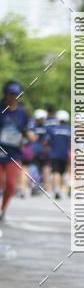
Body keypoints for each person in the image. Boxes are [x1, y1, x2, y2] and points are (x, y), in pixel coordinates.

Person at [0, 81, 35, 221]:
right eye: (11, 94)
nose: (14, 97)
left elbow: (28, 131)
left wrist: (29, 136)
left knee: (10, 183)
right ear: (5, 94)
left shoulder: (22, 113)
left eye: (16, 94)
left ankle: (3, 210)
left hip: (14, 153)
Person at [46, 109, 71, 199]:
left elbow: (46, 141)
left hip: (55, 154)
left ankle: (57, 189)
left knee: (56, 171)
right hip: (66, 154)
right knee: (67, 172)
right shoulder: (69, 129)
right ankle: (69, 188)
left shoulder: (52, 129)